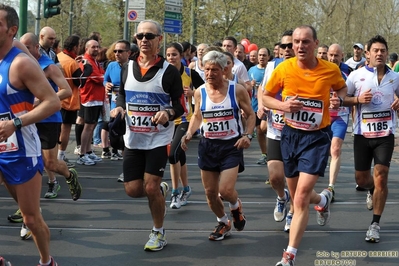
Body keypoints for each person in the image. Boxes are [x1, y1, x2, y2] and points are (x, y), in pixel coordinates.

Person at [262, 25, 347, 265]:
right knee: (299, 195)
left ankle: (289, 256)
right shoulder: (284, 68)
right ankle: (322, 200)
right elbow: (266, 96)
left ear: (315, 43)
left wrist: (337, 98)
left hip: (317, 138)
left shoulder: (330, 69)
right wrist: (283, 106)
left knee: (299, 199)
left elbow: (341, 87)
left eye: (305, 42)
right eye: (295, 42)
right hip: (290, 135)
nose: (299, 46)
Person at [111, 20, 184, 251]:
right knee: (133, 190)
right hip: (133, 138)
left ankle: (158, 232)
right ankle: (159, 191)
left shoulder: (169, 72)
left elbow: (181, 106)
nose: (144, 40)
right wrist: (119, 107)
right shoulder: (127, 68)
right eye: (140, 36)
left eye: (149, 36)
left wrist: (167, 112)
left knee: (151, 187)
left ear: (159, 40)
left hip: (158, 139)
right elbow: (122, 94)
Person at [0, 4, 61, 265]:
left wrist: (16, 122)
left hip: (21, 149)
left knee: (31, 219)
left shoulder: (21, 63)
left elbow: (52, 102)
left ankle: (47, 261)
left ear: (11, 30)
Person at [181, 50, 255, 241]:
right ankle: (223, 222)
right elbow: (197, 116)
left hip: (231, 145)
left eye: (214, 70)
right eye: (206, 70)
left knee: (226, 190)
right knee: (210, 193)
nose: (210, 74)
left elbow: (251, 115)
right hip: (208, 146)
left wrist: (247, 135)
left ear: (223, 70)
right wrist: (189, 133)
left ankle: (235, 207)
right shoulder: (200, 92)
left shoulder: (236, 90)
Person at [346, 35, 399, 243]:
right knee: (363, 179)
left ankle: (375, 224)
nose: (379, 54)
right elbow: (343, 99)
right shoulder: (356, 76)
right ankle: (370, 190)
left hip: (385, 135)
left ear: (387, 53)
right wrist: (358, 99)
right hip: (362, 135)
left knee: (381, 176)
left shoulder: (395, 77)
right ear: (367, 54)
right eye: (375, 50)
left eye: (382, 50)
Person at [258, 29, 296, 232]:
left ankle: (292, 212)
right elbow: (263, 90)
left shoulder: (306, 67)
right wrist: (261, 104)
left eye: (291, 45)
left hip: (299, 131)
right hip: (276, 129)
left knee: (293, 176)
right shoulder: (272, 65)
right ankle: (282, 198)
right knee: (275, 177)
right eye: (284, 46)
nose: (288, 49)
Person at [165, 43, 204, 209]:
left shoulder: (189, 73)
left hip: (185, 119)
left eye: (174, 54)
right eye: (168, 55)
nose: (171, 58)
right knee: (179, 157)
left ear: (181, 55)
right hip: (167, 120)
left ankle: (175, 193)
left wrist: (193, 94)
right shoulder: (163, 73)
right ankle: (186, 189)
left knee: (173, 155)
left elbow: (206, 90)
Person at [57, 35, 93, 168]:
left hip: (56, 98)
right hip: (68, 100)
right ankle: (60, 156)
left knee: (56, 130)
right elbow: (80, 82)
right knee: (65, 130)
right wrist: (87, 68)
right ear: (74, 47)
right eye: (78, 46)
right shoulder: (72, 63)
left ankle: (55, 155)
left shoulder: (59, 56)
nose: (79, 49)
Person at [325, 43, 353, 201]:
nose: (333, 58)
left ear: (342, 56)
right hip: (321, 117)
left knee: (335, 150)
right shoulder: (320, 69)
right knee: (322, 151)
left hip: (340, 117)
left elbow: (355, 96)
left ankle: (331, 187)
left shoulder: (349, 72)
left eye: (337, 55)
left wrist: (342, 101)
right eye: (331, 55)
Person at [103, 40, 131, 181]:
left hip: (129, 111)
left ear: (128, 53)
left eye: (120, 51)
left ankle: (127, 171)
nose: (117, 54)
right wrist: (106, 84)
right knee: (115, 140)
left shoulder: (133, 67)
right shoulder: (111, 66)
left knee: (127, 142)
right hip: (114, 108)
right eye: (115, 51)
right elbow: (105, 79)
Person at [76, 40, 105, 165]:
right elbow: (99, 78)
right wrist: (104, 77)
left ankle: (88, 151)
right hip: (89, 98)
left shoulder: (95, 61)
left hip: (97, 98)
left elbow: (102, 75)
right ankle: (82, 153)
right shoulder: (86, 61)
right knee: (88, 126)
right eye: (93, 47)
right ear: (87, 48)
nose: (96, 49)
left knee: (92, 126)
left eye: (98, 47)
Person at [248, 48, 269, 165]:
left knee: (265, 128)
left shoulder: (271, 70)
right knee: (259, 130)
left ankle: (273, 152)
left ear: (268, 57)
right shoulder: (251, 70)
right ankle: (264, 154)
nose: (261, 57)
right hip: (255, 105)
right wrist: (250, 85)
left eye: (264, 55)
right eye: (260, 55)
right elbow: (246, 85)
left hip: (268, 106)